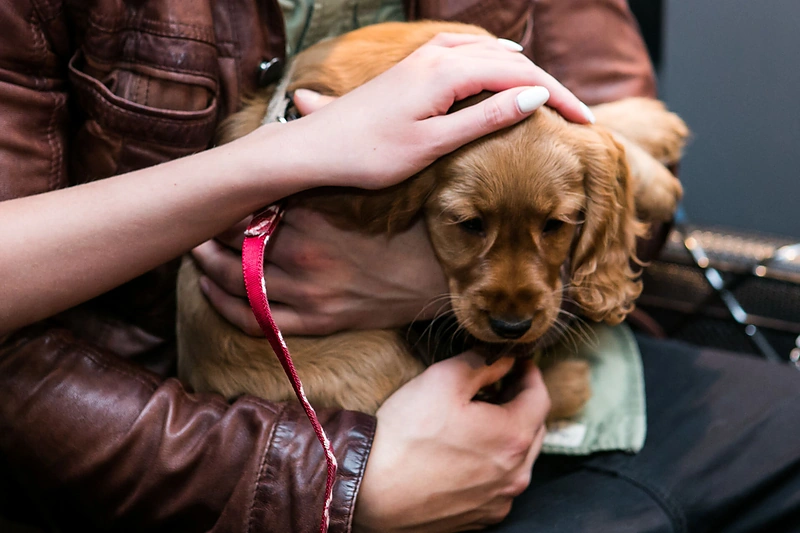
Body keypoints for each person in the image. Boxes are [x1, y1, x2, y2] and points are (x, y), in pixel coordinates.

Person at [2, 2, 800, 533]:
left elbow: (633, 179)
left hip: (536, 372)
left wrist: (412, 276)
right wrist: (334, 480)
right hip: (226, 440)